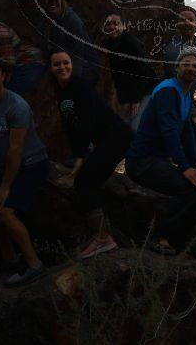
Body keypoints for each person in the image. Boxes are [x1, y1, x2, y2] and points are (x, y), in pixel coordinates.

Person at [49, 49, 134, 259]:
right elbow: (70, 126)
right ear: (50, 68)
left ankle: (104, 239)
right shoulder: (61, 92)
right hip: (106, 141)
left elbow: (85, 122)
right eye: (57, 64)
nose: (62, 67)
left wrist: (80, 155)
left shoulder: (80, 87)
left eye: (66, 63)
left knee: (84, 183)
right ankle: (104, 235)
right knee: (90, 182)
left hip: (117, 137)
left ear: (72, 63)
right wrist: (76, 153)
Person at [0, 56, 50, 286]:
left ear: (4, 77)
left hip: (32, 164)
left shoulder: (17, 106)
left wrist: (5, 188)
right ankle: (9, 259)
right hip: (7, 166)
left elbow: (16, 149)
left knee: (5, 211)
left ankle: (34, 264)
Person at [125, 46, 196, 255]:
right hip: (142, 161)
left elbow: (186, 133)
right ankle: (161, 238)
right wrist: (185, 167)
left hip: (157, 160)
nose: (191, 68)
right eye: (186, 64)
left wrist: (195, 167)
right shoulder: (167, 90)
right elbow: (169, 132)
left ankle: (179, 244)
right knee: (188, 190)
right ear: (176, 67)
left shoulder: (186, 94)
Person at [162, 6, 196, 162]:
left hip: (189, 100)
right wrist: (194, 114)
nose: (187, 23)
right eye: (182, 19)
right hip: (172, 100)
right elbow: (177, 85)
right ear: (176, 23)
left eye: (190, 19)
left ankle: (192, 166)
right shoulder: (171, 49)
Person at [101, 12, 157, 131]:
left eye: (116, 24)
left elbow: (143, 72)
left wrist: (136, 100)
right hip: (130, 93)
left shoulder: (131, 44)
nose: (112, 27)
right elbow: (118, 75)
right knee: (124, 125)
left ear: (124, 26)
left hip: (146, 90)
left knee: (135, 127)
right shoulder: (110, 44)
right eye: (108, 24)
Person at [41, 0, 100, 87]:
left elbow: (78, 55)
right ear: (44, 2)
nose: (53, 3)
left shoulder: (72, 21)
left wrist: (72, 84)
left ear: (62, 1)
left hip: (85, 71)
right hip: (64, 67)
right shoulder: (47, 21)